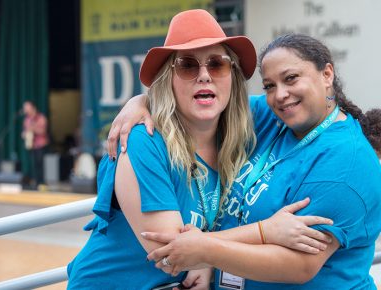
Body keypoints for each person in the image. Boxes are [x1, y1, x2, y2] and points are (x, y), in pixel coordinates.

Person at [67, 11, 331, 290]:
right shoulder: (143, 141)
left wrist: (209, 259)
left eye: (217, 64)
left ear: (232, 75)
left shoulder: (249, 122)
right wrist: (266, 232)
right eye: (187, 66)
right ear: (168, 79)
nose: (204, 75)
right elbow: (173, 255)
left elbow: (314, 106)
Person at [107, 33, 381, 289]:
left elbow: (301, 265)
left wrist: (205, 251)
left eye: (292, 78)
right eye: (269, 85)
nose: (280, 94)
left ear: (327, 74)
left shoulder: (346, 162)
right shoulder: (272, 118)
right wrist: (141, 102)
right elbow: (203, 104)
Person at [21, 100, 49, 188]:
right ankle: (33, 182)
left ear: (33, 108)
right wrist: (24, 134)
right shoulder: (27, 119)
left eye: (27, 107)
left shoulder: (41, 118)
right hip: (31, 145)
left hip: (40, 145)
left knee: (39, 164)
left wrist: (33, 129)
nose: (25, 109)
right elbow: (24, 131)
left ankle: (41, 183)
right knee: (32, 164)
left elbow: (43, 131)